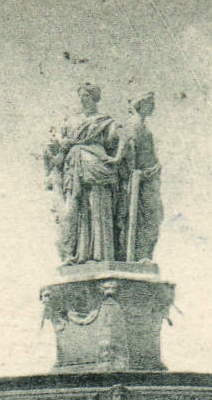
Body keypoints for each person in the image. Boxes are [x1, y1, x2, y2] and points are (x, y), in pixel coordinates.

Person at [44, 83, 122, 264]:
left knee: (97, 205)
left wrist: (118, 155)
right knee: (77, 208)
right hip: (74, 164)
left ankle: (100, 254)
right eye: (81, 96)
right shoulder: (72, 120)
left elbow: (115, 140)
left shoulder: (105, 121)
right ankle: (79, 253)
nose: (83, 99)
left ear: (95, 98)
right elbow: (61, 145)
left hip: (96, 164)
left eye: (87, 96)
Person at [113, 92, 163, 262]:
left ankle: (143, 255)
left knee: (153, 216)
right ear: (140, 104)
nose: (153, 107)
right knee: (146, 216)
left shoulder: (141, 124)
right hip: (141, 180)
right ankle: (139, 255)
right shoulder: (133, 124)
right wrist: (135, 171)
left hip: (149, 177)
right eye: (150, 103)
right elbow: (130, 150)